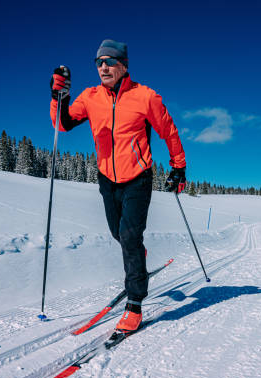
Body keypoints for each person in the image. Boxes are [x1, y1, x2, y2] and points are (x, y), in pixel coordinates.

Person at [50, 39, 187, 333]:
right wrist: (58, 96)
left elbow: (168, 130)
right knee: (119, 234)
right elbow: (62, 124)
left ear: (124, 66)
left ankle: (135, 304)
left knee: (129, 233)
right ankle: (137, 253)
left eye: (110, 61)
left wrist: (178, 166)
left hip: (138, 176)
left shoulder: (145, 96)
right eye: (99, 62)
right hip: (107, 177)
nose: (103, 67)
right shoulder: (89, 97)